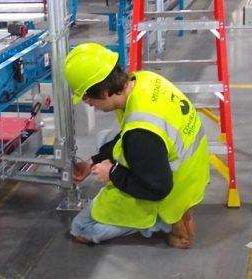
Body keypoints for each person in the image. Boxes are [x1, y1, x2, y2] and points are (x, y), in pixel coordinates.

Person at [63, 42, 210, 248]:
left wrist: (112, 172)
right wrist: (93, 161)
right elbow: (127, 137)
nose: (91, 106)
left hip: (172, 189)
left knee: (82, 228)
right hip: (192, 170)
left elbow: (159, 188)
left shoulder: (141, 134)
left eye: (88, 99)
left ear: (104, 92)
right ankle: (170, 212)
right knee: (106, 138)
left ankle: (165, 221)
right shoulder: (143, 80)